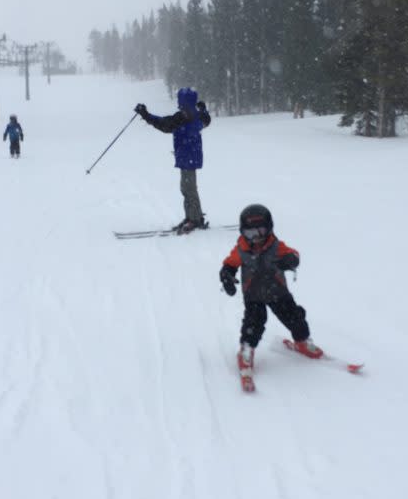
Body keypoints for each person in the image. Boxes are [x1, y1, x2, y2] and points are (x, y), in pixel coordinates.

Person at [219, 204, 323, 379]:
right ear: (243, 232)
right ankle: (246, 350)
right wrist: (227, 276)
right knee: (253, 324)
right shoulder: (241, 250)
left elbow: (294, 254)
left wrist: (290, 260)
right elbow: (229, 264)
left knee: (295, 317)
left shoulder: (275, 246)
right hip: (253, 295)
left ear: (269, 229)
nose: (256, 238)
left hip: (278, 292)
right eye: (250, 233)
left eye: (260, 231)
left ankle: (302, 342)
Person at [134, 87, 211, 234]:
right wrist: (203, 109)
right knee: (187, 188)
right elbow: (206, 119)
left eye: (181, 102)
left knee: (189, 189)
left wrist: (145, 115)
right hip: (188, 157)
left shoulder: (183, 118)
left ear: (185, 103)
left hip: (188, 157)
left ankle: (195, 219)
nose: (179, 105)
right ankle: (192, 217)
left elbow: (163, 124)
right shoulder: (195, 115)